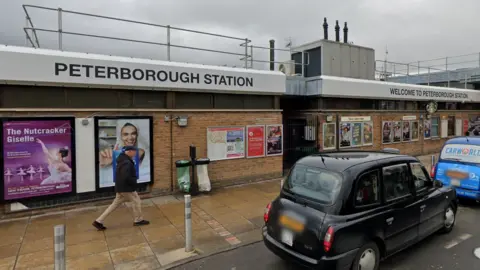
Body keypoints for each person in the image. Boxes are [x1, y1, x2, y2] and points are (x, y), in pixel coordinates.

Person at [93, 145, 150, 230]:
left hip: (121, 187)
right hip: (126, 188)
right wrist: (133, 182)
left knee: (114, 205)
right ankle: (138, 220)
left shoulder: (122, 159)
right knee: (136, 201)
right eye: (134, 152)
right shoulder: (126, 162)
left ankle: (98, 221)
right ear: (129, 151)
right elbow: (125, 176)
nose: (135, 153)